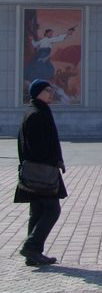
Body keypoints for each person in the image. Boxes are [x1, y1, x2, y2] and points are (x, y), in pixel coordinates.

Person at [15, 79, 67, 266]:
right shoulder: (36, 114)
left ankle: (33, 255)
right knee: (52, 210)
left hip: (37, 173)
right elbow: (37, 148)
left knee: (37, 212)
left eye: (51, 90)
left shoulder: (37, 111)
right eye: (47, 90)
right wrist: (54, 161)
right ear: (37, 92)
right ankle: (31, 246)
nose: (50, 93)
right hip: (41, 174)